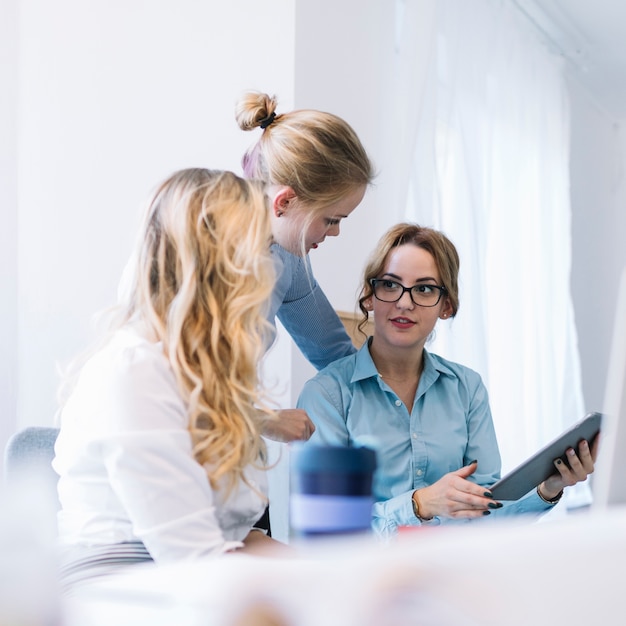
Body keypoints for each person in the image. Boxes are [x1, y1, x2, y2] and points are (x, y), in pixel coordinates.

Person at [53, 168, 289, 589]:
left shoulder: (204, 374)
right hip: (121, 590)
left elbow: (235, 535)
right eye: (260, 250)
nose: (269, 269)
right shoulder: (133, 371)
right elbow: (194, 561)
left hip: (188, 577)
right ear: (219, 264)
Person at [297, 223, 597, 537]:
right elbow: (328, 531)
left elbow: (484, 512)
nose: (404, 302)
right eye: (390, 285)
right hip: (365, 580)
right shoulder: (326, 395)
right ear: (370, 296)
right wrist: (419, 504)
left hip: (453, 573)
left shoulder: (467, 389)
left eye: (424, 289)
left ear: (446, 305)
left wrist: (549, 488)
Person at [235, 91, 375, 444]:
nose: (336, 232)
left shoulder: (287, 259)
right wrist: (262, 420)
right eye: (330, 220)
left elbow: (334, 354)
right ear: (284, 202)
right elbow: (179, 389)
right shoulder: (211, 258)